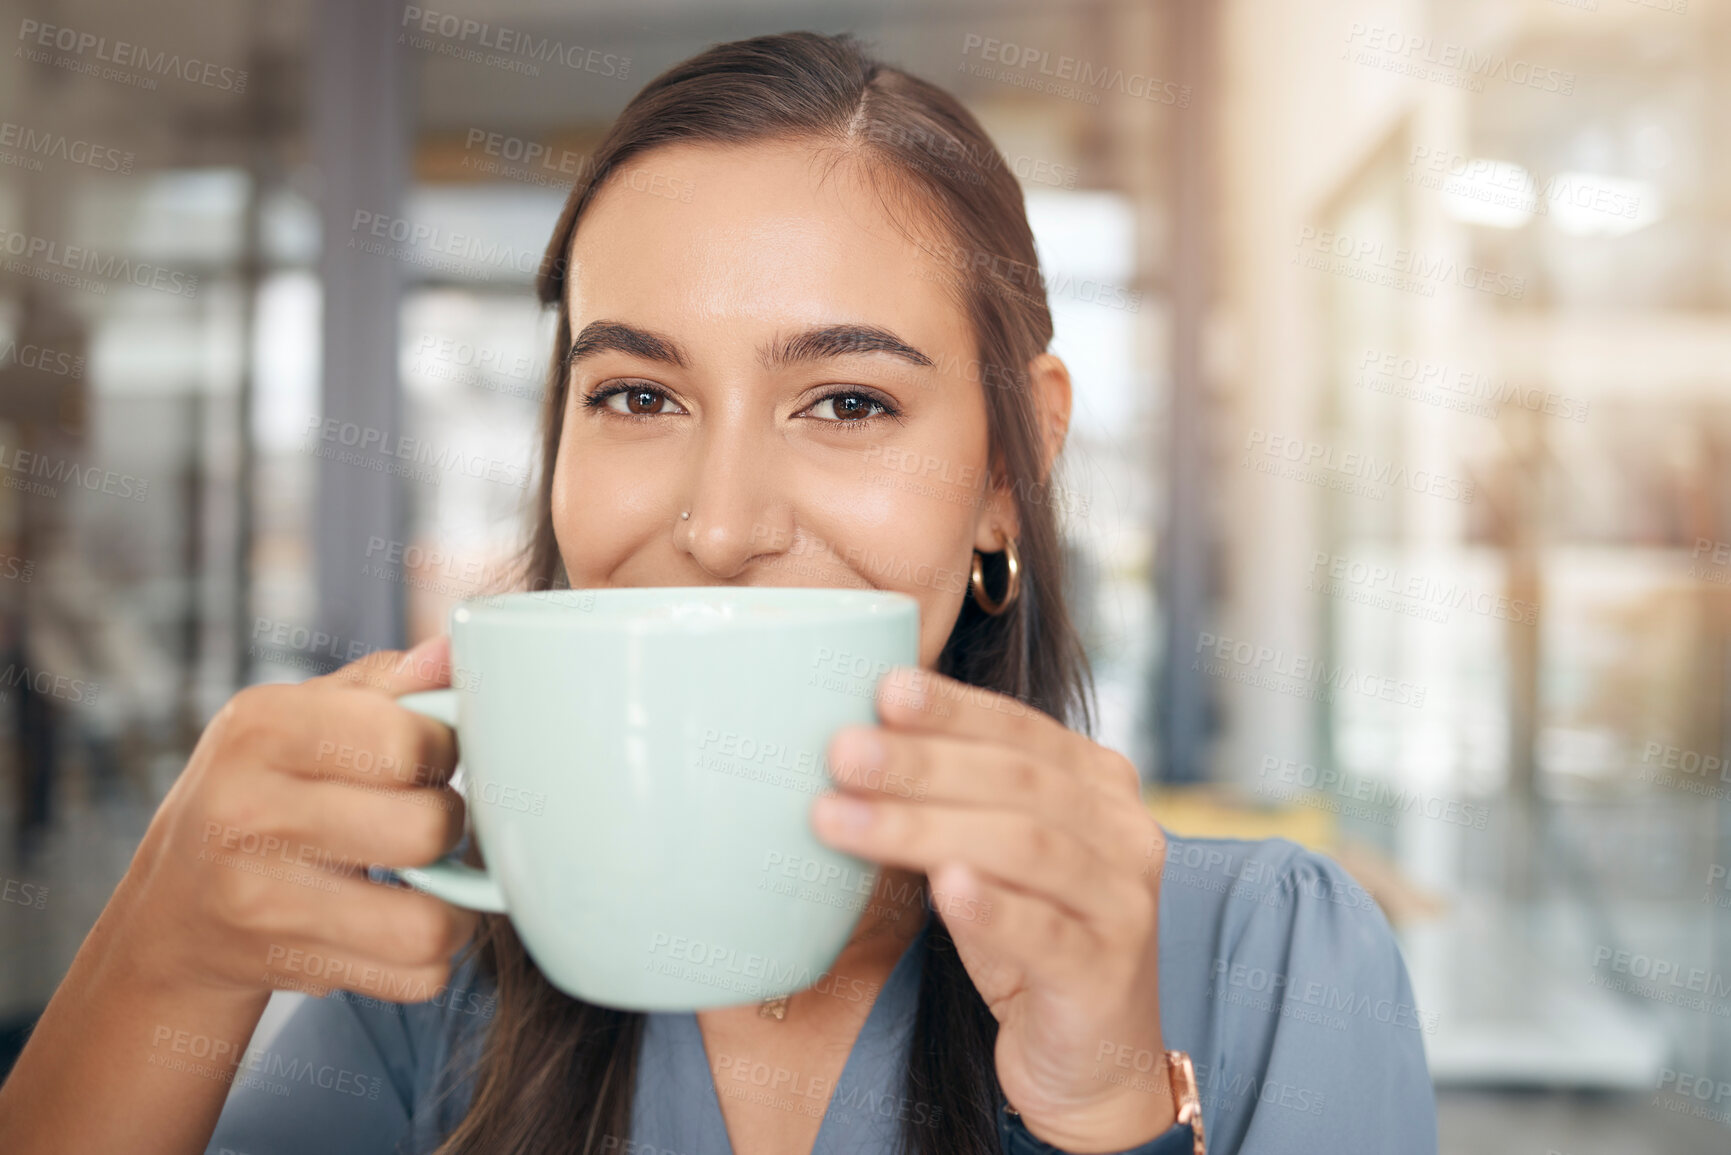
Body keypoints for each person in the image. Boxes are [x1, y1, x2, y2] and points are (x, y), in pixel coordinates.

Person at [0, 31, 1436, 1155]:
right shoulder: (428, 987)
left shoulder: (1271, 957)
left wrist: (1106, 1107)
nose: (722, 524)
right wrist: (164, 960)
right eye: (635, 392)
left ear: (1017, 464)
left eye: (848, 402)